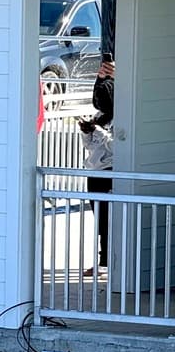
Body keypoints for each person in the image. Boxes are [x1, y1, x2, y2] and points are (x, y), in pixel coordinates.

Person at [79, 57, 115, 275]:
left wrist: (99, 132)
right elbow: (90, 146)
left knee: (111, 218)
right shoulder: (100, 115)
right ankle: (103, 262)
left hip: (110, 171)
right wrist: (87, 132)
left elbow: (115, 146)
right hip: (94, 170)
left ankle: (110, 262)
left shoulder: (123, 117)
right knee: (99, 217)